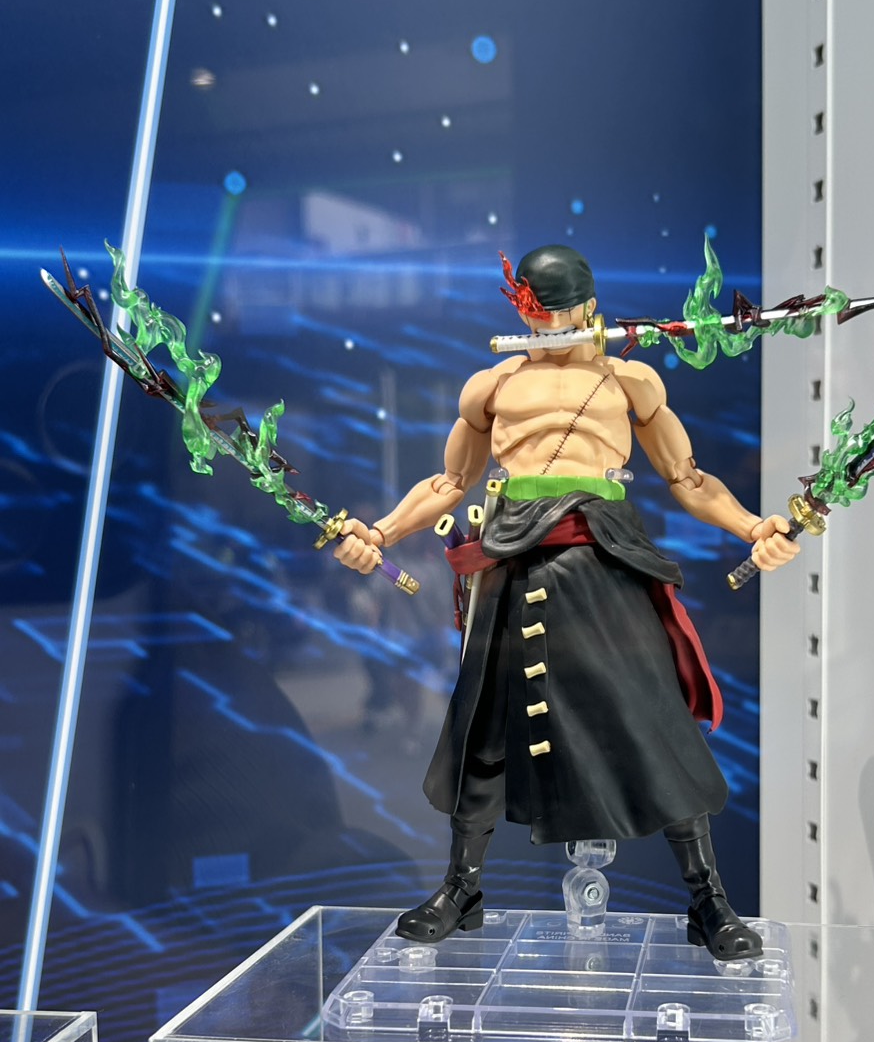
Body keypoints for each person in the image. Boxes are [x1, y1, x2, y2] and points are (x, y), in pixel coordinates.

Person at [334, 245, 799, 958]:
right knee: (484, 724)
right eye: (533, 310)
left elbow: (688, 476)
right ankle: (462, 888)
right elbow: (448, 483)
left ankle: (707, 898)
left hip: (603, 554)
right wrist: (379, 533)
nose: (547, 323)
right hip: (511, 557)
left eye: (557, 309)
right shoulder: (492, 386)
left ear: (588, 305)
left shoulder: (629, 381)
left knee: (654, 718)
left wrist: (753, 528)